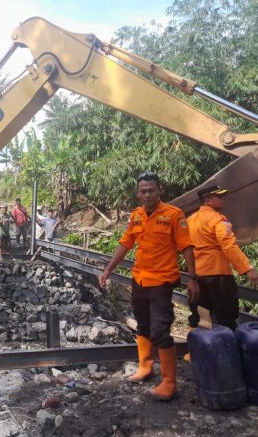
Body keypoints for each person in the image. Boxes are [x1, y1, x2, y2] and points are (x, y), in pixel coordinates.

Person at [98, 172, 199, 401]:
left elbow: (186, 246)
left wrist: (193, 277)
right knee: (143, 326)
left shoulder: (174, 215)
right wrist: (108, 269)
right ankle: (146, 367)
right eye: (143, 191)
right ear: (138, 193)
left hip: (162, 281)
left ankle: (169, 381)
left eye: (151, 190)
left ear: (159, 190)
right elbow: (125, 243)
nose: (147, 194)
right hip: (140, 279)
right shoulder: (135, 216)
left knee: (160, 330)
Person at [186, 185, 258, 331]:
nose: (223, 200)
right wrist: (248, 268)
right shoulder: (218, 219)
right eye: (219, 197)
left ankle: (193, 351)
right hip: (218, 276)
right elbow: (229, 246)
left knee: (200, 315)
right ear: (208, 200)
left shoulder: (190, 220)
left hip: (197, 275)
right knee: (226, 317)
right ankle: (225, 349)